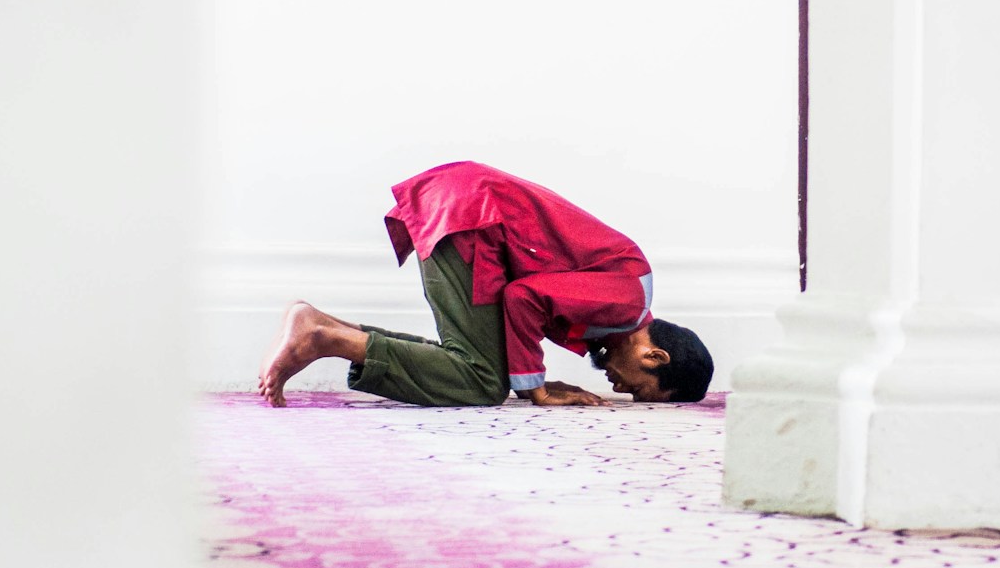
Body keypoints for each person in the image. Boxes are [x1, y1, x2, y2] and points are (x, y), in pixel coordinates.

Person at [256, 161, 714, 409]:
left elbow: (528, 298)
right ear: (654, 356)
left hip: (469, 213)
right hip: (474, 218)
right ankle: (324, 338)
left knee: (479, 365)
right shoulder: (627, 301)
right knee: (481, 382)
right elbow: (523, 296)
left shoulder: (624, 296)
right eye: (638, 389)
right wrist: (533, 388)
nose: (619, 390)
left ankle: (320, 324)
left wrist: (528, 379)